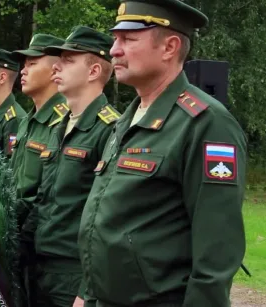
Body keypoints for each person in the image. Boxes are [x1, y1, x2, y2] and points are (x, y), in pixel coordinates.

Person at [77, 1, 247, 307]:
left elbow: (216, 253)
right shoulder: (125, 121)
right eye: (115, 39)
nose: (114, 50)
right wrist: (86, 293)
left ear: (169, 47)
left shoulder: (206, 124)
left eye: (128, 40)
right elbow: (106, 221)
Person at [11, 27, 117, 307]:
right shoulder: (61, 126)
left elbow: (107, 219)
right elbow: (45, 200)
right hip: (40, 266)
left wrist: (87, 287)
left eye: (69, 60)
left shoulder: (109, 129)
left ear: (94, 71)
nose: (56, 66)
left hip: (73, 275)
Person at [8, 33, 67, 306]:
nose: (23, 70)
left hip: (48, 248)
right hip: (20, 240)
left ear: (55, 68)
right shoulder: (28, 120)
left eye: (32, 63)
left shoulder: (64, 119)